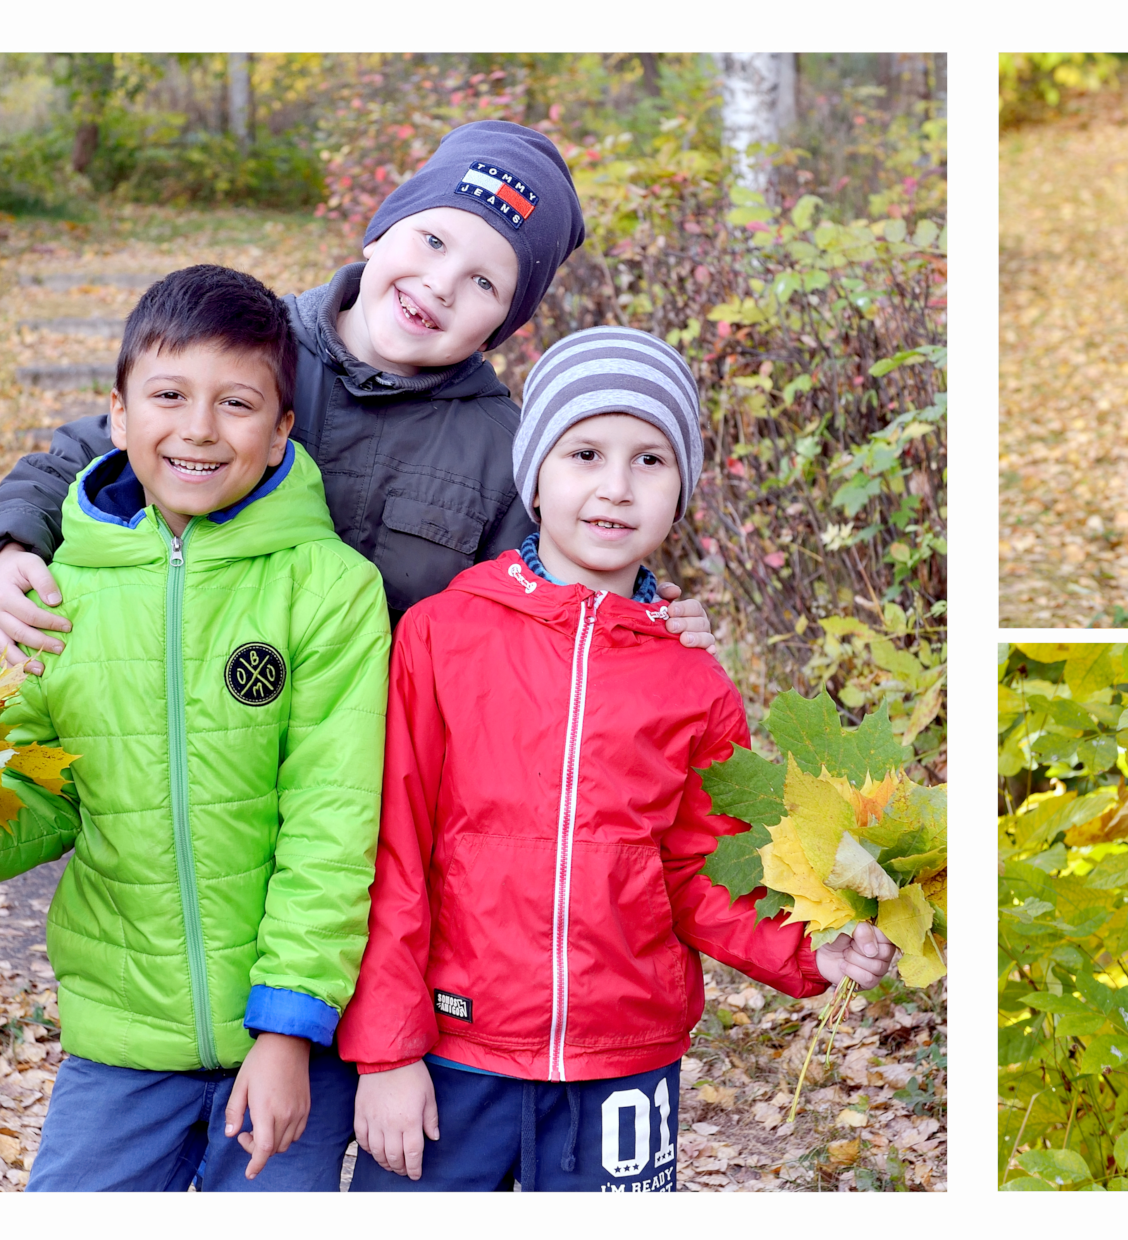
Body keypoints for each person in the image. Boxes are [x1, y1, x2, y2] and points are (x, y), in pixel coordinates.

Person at [336, 326, 899, 1192]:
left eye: (650, 461)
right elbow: (393, 853)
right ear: (535, 473)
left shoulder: (693, 680)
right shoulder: (444, 636)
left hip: (623, 1060)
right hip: (455, 1051)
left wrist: (808, 952)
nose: (614, 487)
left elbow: (703, 869)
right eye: (585, 452)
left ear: (682, 490)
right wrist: (385, 1053)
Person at [0, 265, 392, 1190]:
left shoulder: (330, 590)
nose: (198, 428)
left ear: (281, 433)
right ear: (116, 416)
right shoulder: (63, 588)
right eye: (167, 396)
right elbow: (40, 780)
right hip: (118, 1037)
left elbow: (333, 823)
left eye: (236, 403)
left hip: (283, 1044)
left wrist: (284, 1030)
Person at [0, 120, 716, 667]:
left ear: (504, 326)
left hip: (361, 778)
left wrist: (648, 616)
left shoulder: (501, 450)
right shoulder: (253, 348)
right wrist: (9, 549)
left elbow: (549, 592)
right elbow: (86, 455)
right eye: (431, 241)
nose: (439, 284)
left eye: (485, 282)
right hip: (188, 721)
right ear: (380, 232)